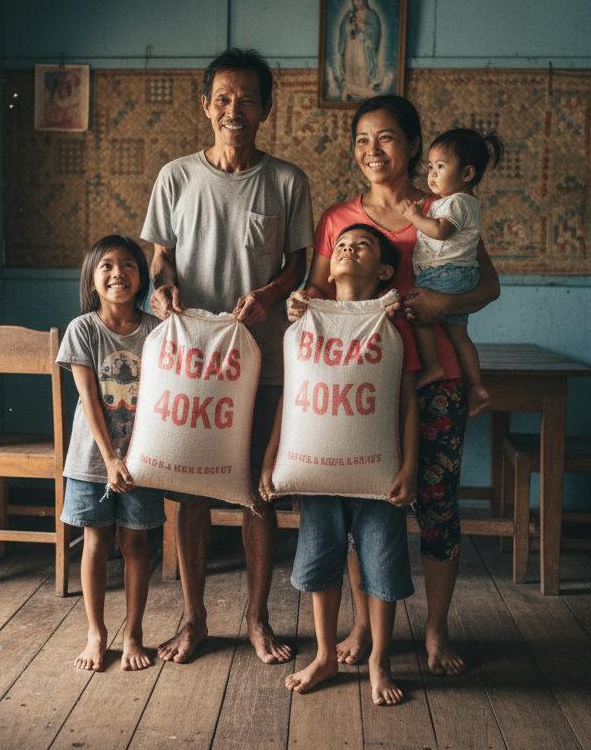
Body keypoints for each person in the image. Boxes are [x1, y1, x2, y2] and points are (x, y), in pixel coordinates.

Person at [288, 94, 500, 676]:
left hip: (436, 379)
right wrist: (299, 299)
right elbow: (321, 295)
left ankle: (435, 630)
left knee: (436, 504)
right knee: (362, 506)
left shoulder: (443, 207)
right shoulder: (337, 218)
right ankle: (361, 625)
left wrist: (441, 302)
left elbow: (489, 286)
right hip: (358, 387)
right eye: (362, 139)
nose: (371, 150)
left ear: (411, 144)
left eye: (385, 138)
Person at [142, 47, 314, 665]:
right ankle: (193, 621)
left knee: (257, 493)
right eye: (222, 98)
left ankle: (258, 618)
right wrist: (161, 286)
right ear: (206, 105)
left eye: (246, 99)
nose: (233, 110)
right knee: (187, 494)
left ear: (266, 108)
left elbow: (298, 263)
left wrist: (272, 294)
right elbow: (159, 254)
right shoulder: (176, 176)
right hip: (191, 364)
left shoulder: (288, 180)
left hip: (261, 360)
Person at [260, 223, 419, 706]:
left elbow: (409, 401)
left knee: (382, 564)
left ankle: (379, 661)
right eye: (341, 245)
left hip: (379, 473)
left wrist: (410, 467)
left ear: (386, 270)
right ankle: (326, 654)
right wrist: (270, 460)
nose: (347, 249)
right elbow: (293, 398)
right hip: (317, 472)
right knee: (319, 559)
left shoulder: (393, 322)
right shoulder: (306, 317)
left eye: (362, 245)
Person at [57, 235, 164, 672]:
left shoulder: (157, 331)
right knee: (97, 542)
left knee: (136, 542)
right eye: (106, 266)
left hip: (144, 459)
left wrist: (133, 458)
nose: (117, 273)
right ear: (92, 278)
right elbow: (90, 399)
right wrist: (111, 459)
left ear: (142, 277)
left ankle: (134, 633)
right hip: (92, 460)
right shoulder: (82, 329)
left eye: (127, 265)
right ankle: (96, 632)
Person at [398, 128, 504, 417]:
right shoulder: (451, 202)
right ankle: (478, 386)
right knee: (459, 336)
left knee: (416, 310)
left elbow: (440, 231)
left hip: (444, 274)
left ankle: (432, 366)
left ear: (468, 173)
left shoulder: (457, 202)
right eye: (430, 167)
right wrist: (425, 209)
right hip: (456, 275)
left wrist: (414, 216)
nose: (431, 174)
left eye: (441, 167)